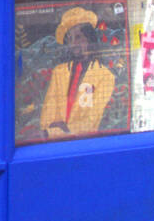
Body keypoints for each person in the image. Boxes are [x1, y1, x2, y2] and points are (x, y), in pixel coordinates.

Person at [40, 7, 115, 139]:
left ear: (89, 38)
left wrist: (57, 131)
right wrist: (54, 130)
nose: (73, 43)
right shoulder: (59, 72)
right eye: (69, 39)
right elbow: (47, 114)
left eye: (78, 37)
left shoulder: (105, 76)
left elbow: (91, 121)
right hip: (54, 144)